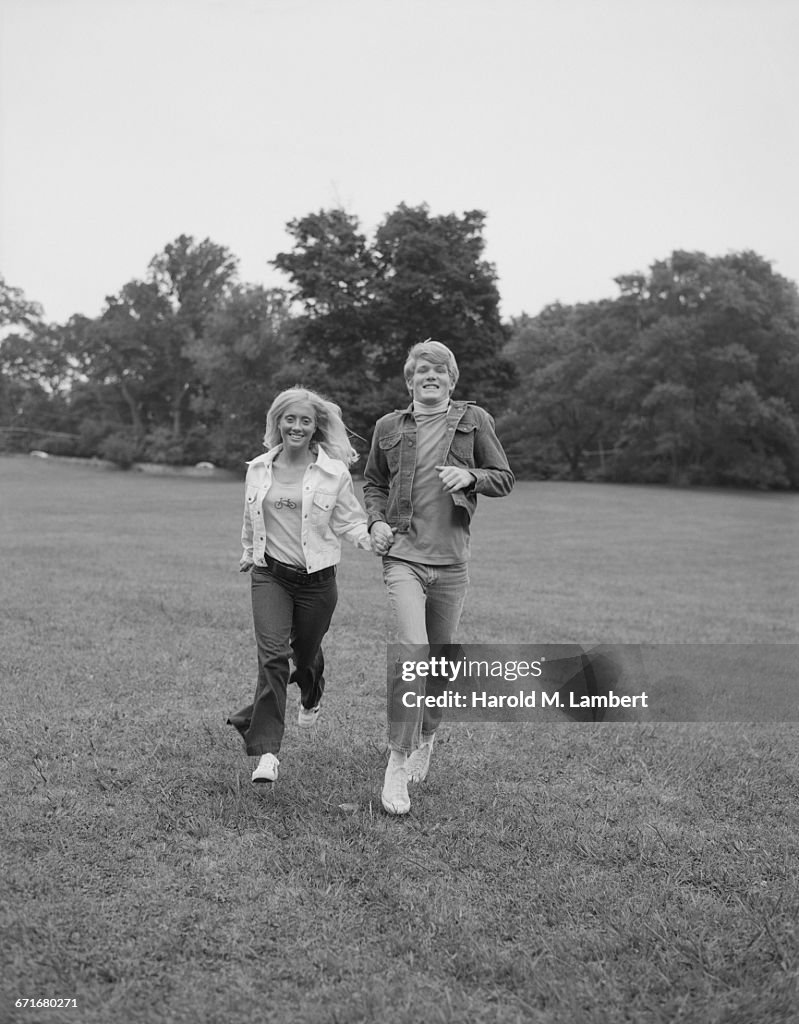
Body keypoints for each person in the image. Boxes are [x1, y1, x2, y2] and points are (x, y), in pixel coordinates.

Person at [364, 340, 514, 814]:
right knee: (414, 651)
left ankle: (426, 734)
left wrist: (470, 478)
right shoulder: (389, 426)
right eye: (421, 371)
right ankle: (396, 763)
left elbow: (503, 477)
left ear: (452, 380)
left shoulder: (475, 421)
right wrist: (375, 521)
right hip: (403, 555)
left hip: (451, 561)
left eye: (440, 370)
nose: (430, 376)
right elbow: (373, 483)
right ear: (410, 381)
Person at [228, 387, 372, 785]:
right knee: (274, 657)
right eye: (289, 419)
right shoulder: (258, 467)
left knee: (304, 656)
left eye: (304, 420)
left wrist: (370, 538)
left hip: (317, 582)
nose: (296, 426)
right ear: (277, 422)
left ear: (315, 427)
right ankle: (267, 754)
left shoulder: (333, 472)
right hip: (269, 575)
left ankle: (311, 692)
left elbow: (347, 521)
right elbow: (249, 515)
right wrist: (247, 550)